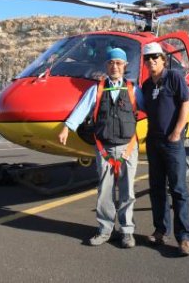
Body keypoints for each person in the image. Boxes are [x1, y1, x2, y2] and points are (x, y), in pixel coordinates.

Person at [58, 47, 142, 249]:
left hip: (127, 148)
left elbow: (153, 109)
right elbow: (81, 110)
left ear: (125, 66)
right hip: (104, 149)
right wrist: (66, 128)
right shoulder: (96, 89)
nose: (115, 66)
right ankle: (105, 230)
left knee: (127, 192)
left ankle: (127, 232)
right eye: (111, 63)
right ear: (107, 66)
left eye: (119, 63)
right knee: (104, 191)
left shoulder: (134, 90)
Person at [141, 42, 189, 256]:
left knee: (179, 189)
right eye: (148, 58)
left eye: (156, 57)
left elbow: (186, 103)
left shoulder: (173, 77)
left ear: (163, 59)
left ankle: (184, 238)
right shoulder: (145, 85)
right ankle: (161, 231)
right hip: (153, 143)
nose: (152, 60)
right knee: (157, 189)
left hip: (172, 143)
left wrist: (176, 132)